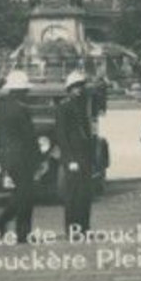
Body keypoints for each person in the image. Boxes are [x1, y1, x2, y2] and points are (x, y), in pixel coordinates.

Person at [0, 71, 43, 243]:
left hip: (7, 157)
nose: (27, 93)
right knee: (26, 194)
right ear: (19, 91)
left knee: (22, 192)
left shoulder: (0, 107)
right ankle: (13, 226)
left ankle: (15, 228)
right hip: (23, 157)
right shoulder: (22, 109)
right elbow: (29, 137)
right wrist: (38, 158)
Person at [55, 73, 97, 236]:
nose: (79, 90)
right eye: (76, 87)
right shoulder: (64, 107)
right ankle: (72, 229)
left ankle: (84, 227)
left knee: (85, 194)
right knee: (72, 195)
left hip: (84, 154)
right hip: (72, 155)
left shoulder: (83, 105)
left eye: (81, 86)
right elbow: (62, 135)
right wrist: (70, 158)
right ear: (69, 89)